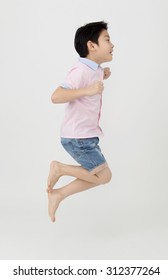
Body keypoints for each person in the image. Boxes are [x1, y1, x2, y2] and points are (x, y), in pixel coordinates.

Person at [47, 21, 114, 222]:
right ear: (91, 46)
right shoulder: (81, 71)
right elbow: (56, 96)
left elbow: (92, 76)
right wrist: (88, 90)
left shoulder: (92, 69)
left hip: (85, 136)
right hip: (78, 137)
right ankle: (60, 170)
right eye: (107, 39)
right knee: (104, 177)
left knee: (101, 177)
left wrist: (102, 74)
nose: (112, 44)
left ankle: (59, 194)